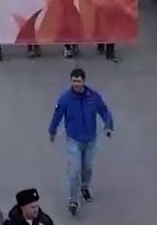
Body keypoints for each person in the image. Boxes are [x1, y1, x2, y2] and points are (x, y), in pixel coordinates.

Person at [46, 66, 113, 215]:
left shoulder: (93, 97)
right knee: (74, 170)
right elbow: (57, 115)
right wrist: (52, 130)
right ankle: (73, 200)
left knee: (87, 167)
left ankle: (84, 187)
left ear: (84, 81)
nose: (76, 84)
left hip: (90, 139)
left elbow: (104, 111)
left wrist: (108, 126)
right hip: (73, 139)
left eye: (79, 81)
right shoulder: (65, 99)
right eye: (74, 81)